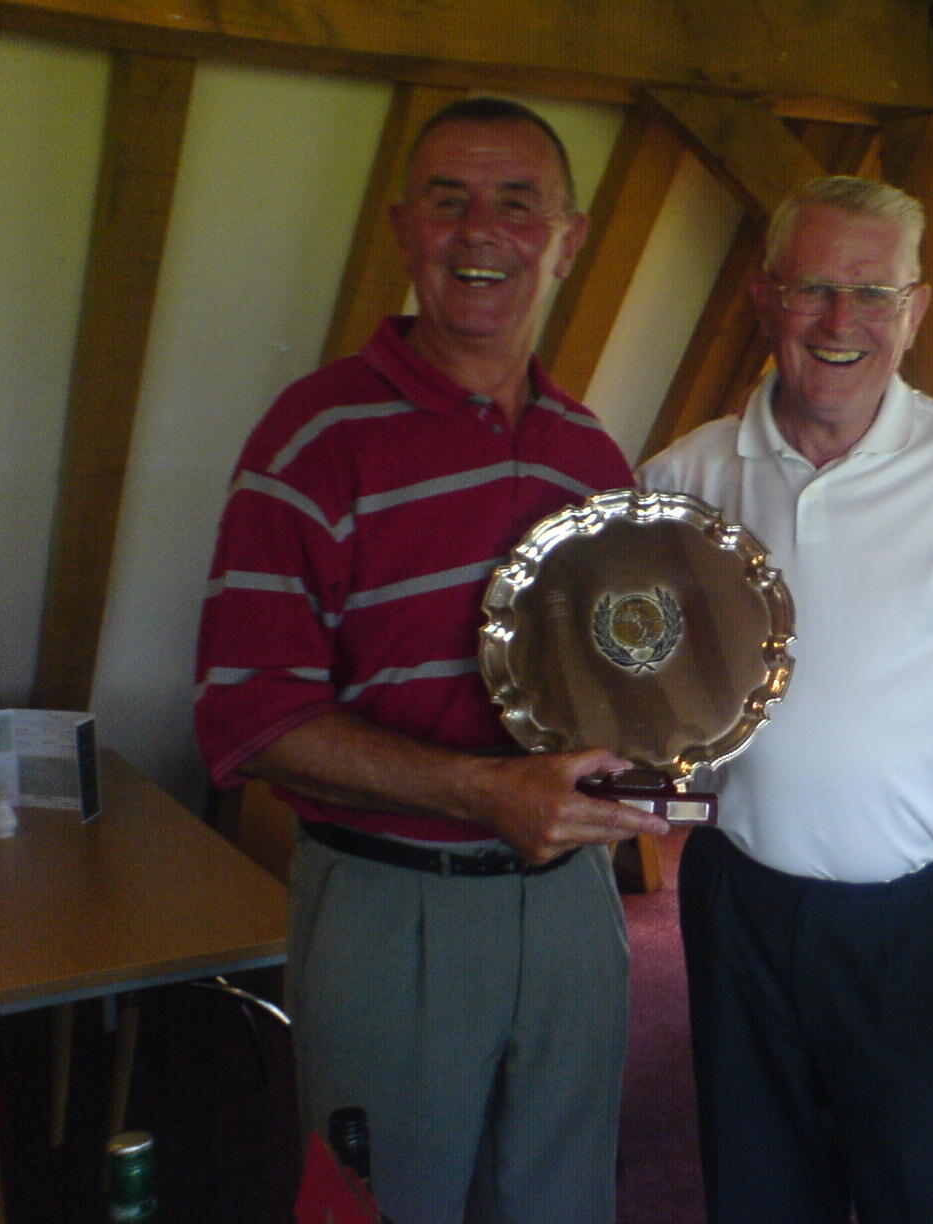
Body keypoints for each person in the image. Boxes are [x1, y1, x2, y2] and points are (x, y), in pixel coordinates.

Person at [194, 96, 668, 1224]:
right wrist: (482, 790)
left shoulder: (592, 457)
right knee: (385, 1208)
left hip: (571, 916)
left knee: (561, 1205)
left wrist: (665, 745)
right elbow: (246, 718)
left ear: (569, 238)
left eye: (517, 203)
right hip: (388, 909)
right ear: (406, 229)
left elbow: (617, 686)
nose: (480, 231)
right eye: (450, 201)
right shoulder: (310, 440)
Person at [637, 176, 933, 1223]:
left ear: (915, 310)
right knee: (757, 1189)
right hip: (742, 902)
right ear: (762, 297)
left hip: (929, 910)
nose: (842, 323)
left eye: (874, 294)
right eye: (814, 289)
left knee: (927, 1192)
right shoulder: (681, 477)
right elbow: (633, 688)